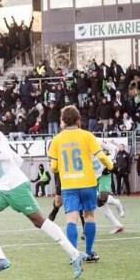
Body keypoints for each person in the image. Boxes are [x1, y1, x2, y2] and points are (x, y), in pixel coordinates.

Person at [0, 113, 85, 279]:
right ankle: (0, 259)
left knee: (39, 221)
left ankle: (75, 254)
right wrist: (6, 172)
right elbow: (17, 159)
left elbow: (4, 155)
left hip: (15, 187)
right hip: (3, 188)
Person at [48, 104, 114, 262]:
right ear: (78, 119)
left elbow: (54, 166)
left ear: (62, 121)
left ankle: (74, 255)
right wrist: (111, 166)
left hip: (69, 185)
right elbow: (101, 156)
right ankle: (89, 252)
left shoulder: (56, 140)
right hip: (87, 182)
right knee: (89, 216)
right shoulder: (87, 136)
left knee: (71, 219)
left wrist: (59, 171)